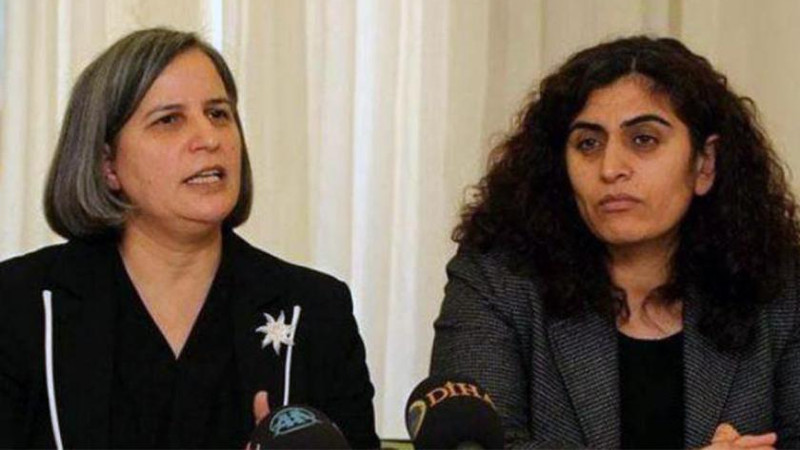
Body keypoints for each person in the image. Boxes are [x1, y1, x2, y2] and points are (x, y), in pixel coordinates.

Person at [0, 28, 379, 449]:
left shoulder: (316, 311)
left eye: (218, 114)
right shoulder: (17, 307)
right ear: (108, 164)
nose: (209, 139)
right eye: (169, 120)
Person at [430, 35, 800, 449]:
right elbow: (479, 445)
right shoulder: (497, 282)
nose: (610, 168)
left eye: (643, 140)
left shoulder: (781, 289)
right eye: (588, 143)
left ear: (704, 164)